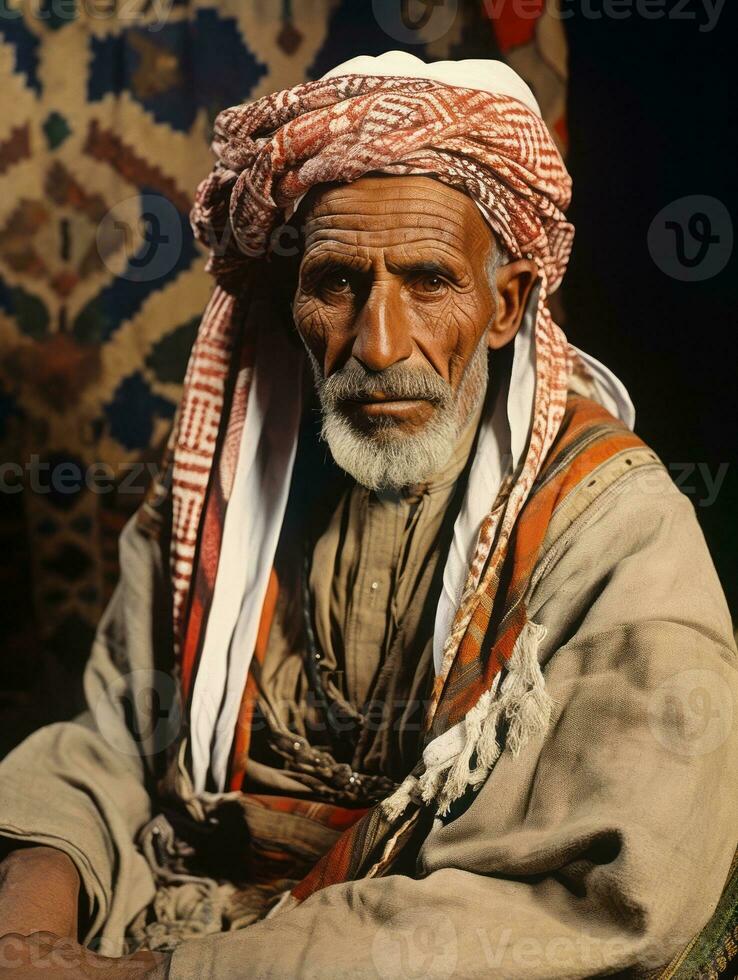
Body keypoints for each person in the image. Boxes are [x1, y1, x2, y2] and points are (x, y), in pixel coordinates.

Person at [0, 53, 735, 980]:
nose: (379, 345)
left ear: (505, 305)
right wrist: (28, 930)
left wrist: (166, 977)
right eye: (337, 284)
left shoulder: (614, 529)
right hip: (162, 910)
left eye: (428, 282)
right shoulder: (223, 495)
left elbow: (611, 896)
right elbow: (108, 742)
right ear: (291, 299)